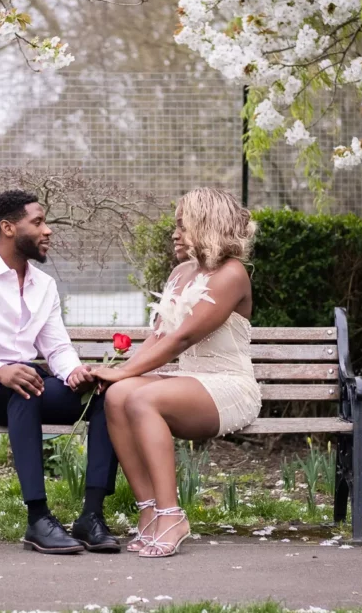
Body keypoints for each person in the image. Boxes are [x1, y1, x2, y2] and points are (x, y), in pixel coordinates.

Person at [0, 189, 120, 555]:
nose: (47, 230)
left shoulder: (43, 284)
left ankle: (91, 516)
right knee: (24, 388)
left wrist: (74, 373)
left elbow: (56, 347)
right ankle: (38, 517)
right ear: (7, 228)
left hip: (27, 382)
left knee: (105, 397)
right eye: (37, 222)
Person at [91, 188, 259, 558]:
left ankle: (172, 515)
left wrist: (125, 373)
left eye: (183, 226)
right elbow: (159, 335)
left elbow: (183, 337)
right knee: (118, 396)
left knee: (141, 397)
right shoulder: (182, 273)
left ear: (206, 226)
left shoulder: (232, 275)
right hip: (189, 383)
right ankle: (149, 512)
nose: (174, 234)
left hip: (228, 387)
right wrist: (120, 373)